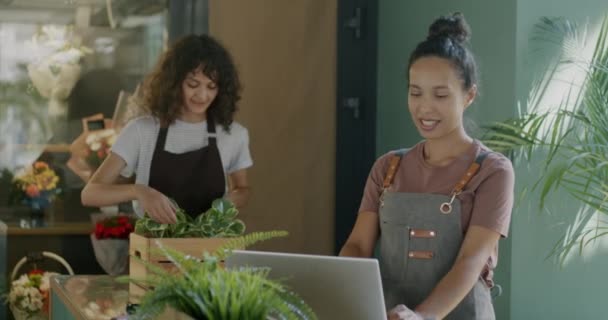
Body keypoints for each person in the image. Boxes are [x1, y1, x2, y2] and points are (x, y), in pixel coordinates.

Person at [339, 13, 514, 320]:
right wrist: (337, 287)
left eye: (441, 95)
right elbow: (357, 245)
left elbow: (471, 260)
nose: (425, 107)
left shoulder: (493, 171)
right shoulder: (387, 167)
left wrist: (423, 317)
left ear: (469, 95)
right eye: (415, 92)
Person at [81, 34, 252, 223]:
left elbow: (242, 190)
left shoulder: (233, 134)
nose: (202, 95)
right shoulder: (142, 131)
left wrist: (227, 203)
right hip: (155, 247)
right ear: (173, 83)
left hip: (211, 249)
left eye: (211, 87)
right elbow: (90, 194)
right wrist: (139, 191)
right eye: (193, 84)